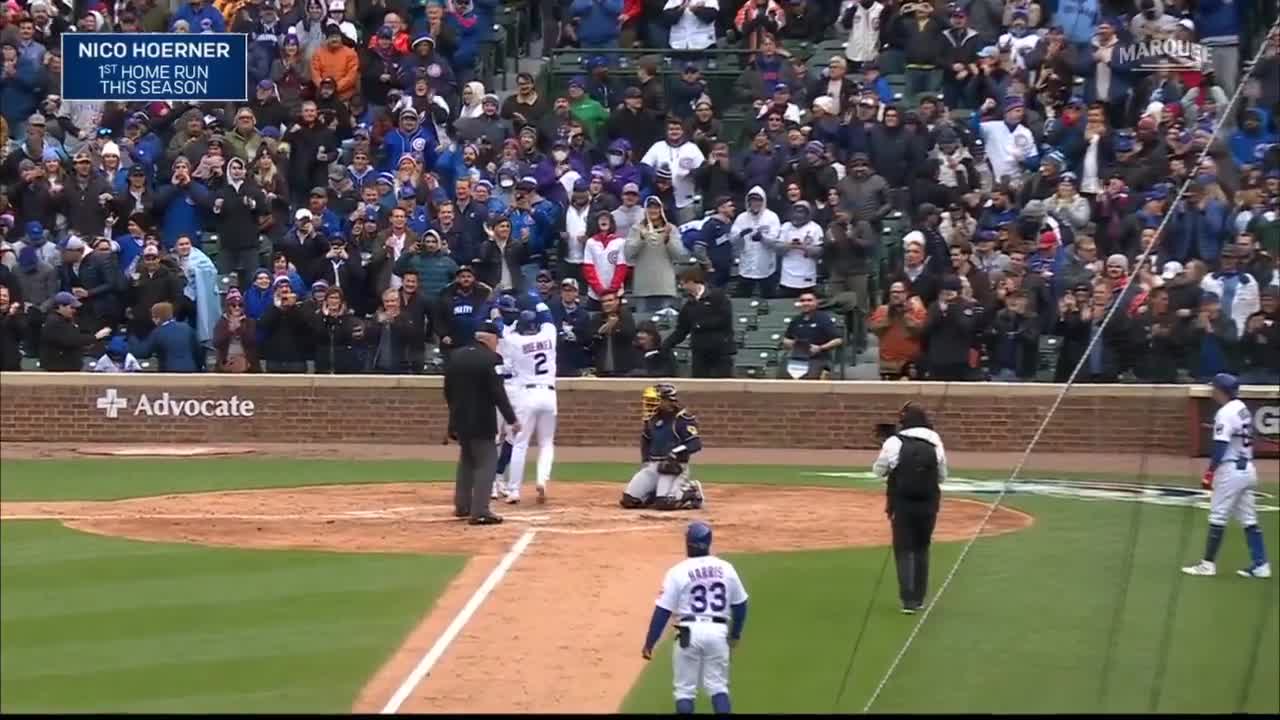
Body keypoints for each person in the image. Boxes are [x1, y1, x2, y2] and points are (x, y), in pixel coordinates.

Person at [640, 520, 749, 715]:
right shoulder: (726, 568)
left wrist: (650, 642)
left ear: (688, 543)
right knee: (718, 687)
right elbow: (740, 605)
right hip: (718, 631)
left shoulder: (677, 571)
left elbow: (663, 611)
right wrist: (735, 635)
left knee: (685, 691)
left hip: (688, 633)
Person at [1182, 374, 1270, 579]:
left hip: (1230, 471)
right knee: (1249, 519)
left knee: (1217, 516)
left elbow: (1221, 445)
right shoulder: (1242, 408)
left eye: (1214, 388)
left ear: (1221, 391)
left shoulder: (1224, 412)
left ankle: (1207, 565)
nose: (1212, 391)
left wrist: (1210, 471)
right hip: (1247, 469)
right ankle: (1261, 565)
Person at [873, 401, 949, 613]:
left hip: (902, 501)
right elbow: (942, 475)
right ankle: (919, 598)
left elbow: (878, 471)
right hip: (929, 501)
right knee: (922, 548)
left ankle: (907, 601)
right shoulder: (935, 440)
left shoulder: (893, 442)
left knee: (904, 549)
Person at [445, 320, 519, 526]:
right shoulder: (491, 359)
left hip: (460, 418)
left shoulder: (456, 356)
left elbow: (448, 391)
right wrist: (512, 419)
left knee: (467, 460)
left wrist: (452, 419)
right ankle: (480, 511)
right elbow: (497, 393)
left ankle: (462, 505)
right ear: (490, 338)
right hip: (482, 419)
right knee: (487, 462)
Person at [497, 308, 558, 505]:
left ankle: (514, 490)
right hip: (549, 394)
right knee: (546, 443)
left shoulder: (516, 341)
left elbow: (500, 328)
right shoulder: (549, 333)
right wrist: (535, 300)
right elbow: (547, 314)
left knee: (520, 442)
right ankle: (542, 480)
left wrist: (496, 309)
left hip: (527, 394)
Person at [621, 382, 705, 510]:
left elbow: (695, 444)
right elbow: (646, 440)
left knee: (665, 503)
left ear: (669, 401)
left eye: (656, 400)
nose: (651, 404)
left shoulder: (682, 419)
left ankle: (692, 491)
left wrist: (675, 453)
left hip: (674, 467)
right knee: (629, 500)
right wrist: (645, 461)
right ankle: (654, 492)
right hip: (653, 466)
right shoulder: (652, 419)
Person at [661, 267, 734, 377]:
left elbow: (724, 319)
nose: (682, 287)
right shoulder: (688, 306)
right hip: (699, 351)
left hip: (720, 350)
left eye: (683, 283)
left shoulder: (718, 297)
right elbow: (682, 330)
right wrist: (666, 344)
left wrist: (700, 325)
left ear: (691, 282)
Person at [39, 291, 113, 371]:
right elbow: (73, 340)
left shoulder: (66, 319)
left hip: (69, 364)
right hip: (58, 368)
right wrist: (96, 337)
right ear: (60, 306)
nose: (74, 310)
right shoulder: (54, 321)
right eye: (71, 307)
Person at [781, 290, 844, 379]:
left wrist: (820, 348)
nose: (806, 303)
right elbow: (786, 339)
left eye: (809, 300)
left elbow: (838, 340)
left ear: (816, 302)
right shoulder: (796, 320)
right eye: (802, 301)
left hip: (818, 358)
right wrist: (793, 344)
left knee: (809, 378)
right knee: (782, 375)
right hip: (797, 357)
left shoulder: (823, 319)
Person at [129, 301, 206, 372]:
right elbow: (198, 351)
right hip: (191, 370)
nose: (153, 320)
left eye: (153, 317)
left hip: (169, 372)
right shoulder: (187, 327)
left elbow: (143, 352)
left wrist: (132, 338)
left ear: (158, 318)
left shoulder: (158, 332)